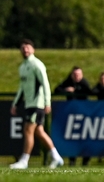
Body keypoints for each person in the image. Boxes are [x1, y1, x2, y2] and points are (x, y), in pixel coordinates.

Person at [9, 39, 65, 169]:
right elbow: (22, 88)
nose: (25, 50)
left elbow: (45, 83)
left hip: (37, 104)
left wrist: (47, 101)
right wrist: (15, 104)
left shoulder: (37, 64)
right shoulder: (22, 67)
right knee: (39, 131)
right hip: (29, 104)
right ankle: (56, 157)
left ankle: (24, 160)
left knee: (28, 130)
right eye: (23, 48)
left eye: (28, 47)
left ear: (33, 49)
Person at [54, 66, 93, 166]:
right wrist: (66, 90)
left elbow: (89, 92)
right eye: (75, 74)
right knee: (72, 139)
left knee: (85, 139)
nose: (76, 77)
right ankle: (72, 160)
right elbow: (57, 90)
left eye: (78, 74)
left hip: (83, 116)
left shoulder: (84, 83)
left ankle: (85, 160)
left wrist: (75, 92)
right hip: (71, 116)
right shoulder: (68, 82)